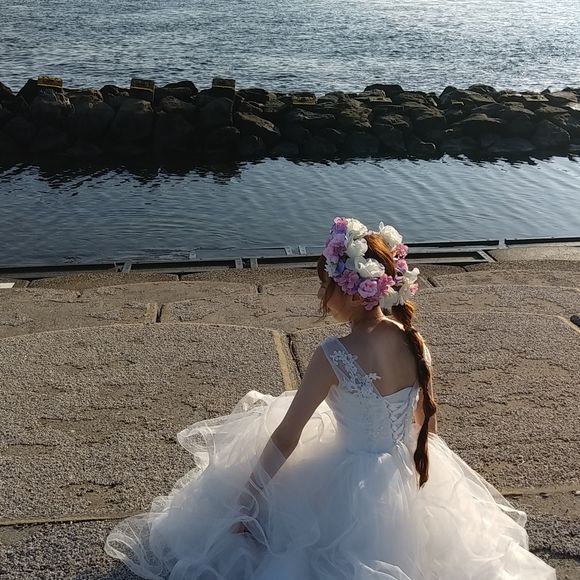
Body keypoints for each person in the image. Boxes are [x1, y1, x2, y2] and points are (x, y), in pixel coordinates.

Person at [105, 216, 557, 579]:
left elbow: (287, 436)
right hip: (411, 467)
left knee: (296, 535)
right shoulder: (413, 340)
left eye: (327, 286)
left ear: (355, 293)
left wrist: (247, 500)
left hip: (352, 482)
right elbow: (426, 425)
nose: (322, 295)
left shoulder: (334, 355)